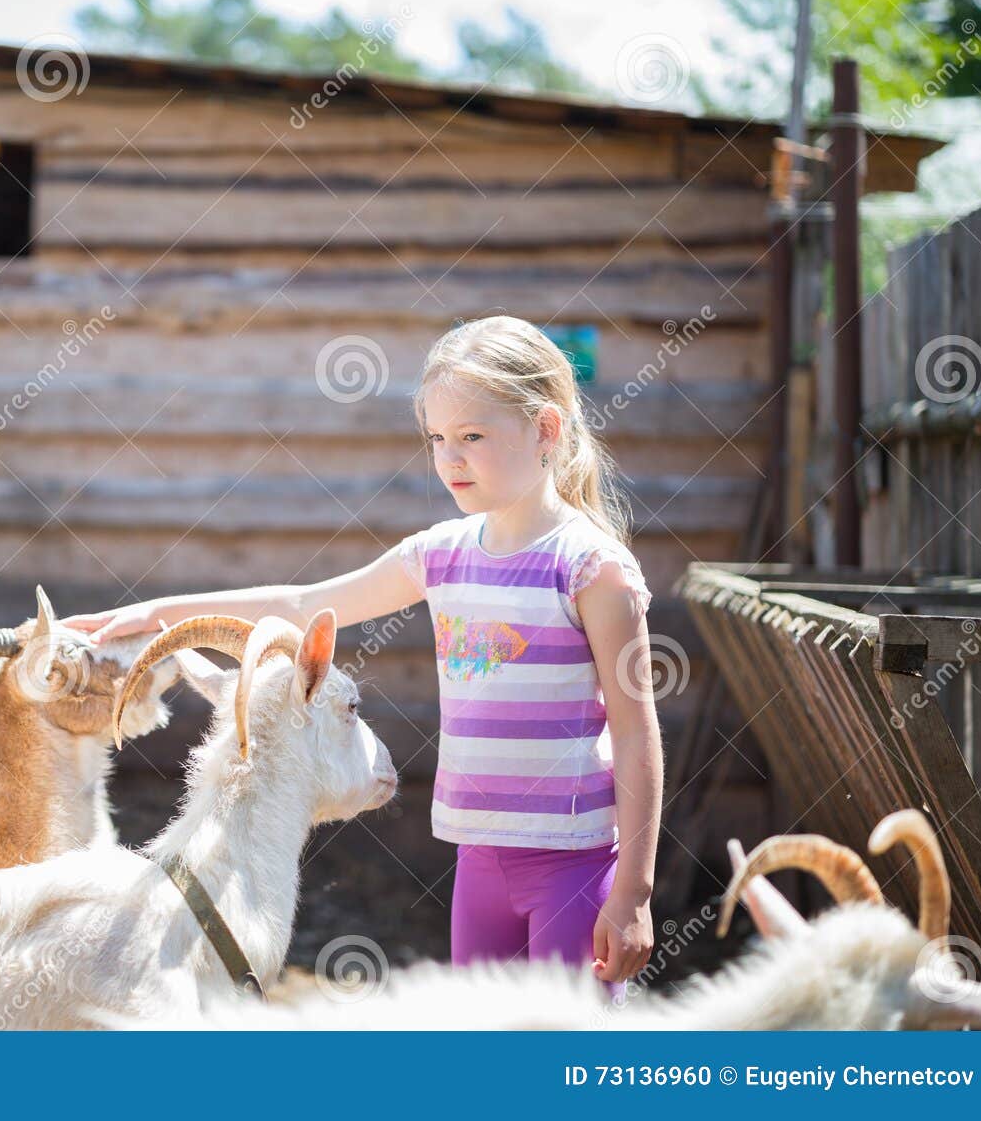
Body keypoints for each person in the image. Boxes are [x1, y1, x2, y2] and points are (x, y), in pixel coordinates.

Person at [63, 315, 661, 993]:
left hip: (574, 865)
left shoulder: (591, 569)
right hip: (478, 863)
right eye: (437, 438)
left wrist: (634, 891)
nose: (450, 458)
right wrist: (160, 614)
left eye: (472, 436)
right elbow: (302, 602)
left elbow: (638, 734)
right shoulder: (440, 554)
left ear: (546, 431)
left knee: (564, 1061)